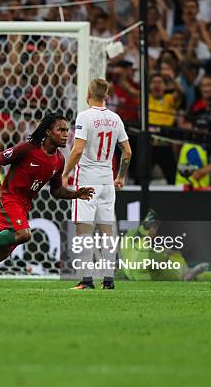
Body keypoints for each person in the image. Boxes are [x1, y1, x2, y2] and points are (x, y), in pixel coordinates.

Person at [0, 113, 95, 295]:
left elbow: (56, 190)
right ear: (48, 132)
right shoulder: (28, 149)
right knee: (23, 234)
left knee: (0, 254)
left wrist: (75, 194)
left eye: (66, 130)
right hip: (7, 198)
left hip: (22, 205)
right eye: (60, 130)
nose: (65, 134)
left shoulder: (59, 160)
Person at [61, 79, 131, 290]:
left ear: (87, 95)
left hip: (87, 182)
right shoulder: (115, 119)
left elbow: (78, 150)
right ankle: (108, 280)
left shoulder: (84, 117)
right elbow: (127, 151)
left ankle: (86, 280)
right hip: (107, 181)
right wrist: (121, 177)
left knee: (84, 230)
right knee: (107, 230)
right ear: (107, 96)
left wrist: (65, 173)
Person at [119, 210, 211, 282]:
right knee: (190, 274)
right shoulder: (144, 248)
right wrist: (166, 253)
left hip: (134, 270)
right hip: (144, 268)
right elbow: (157, 257)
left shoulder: (130, 239)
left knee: (190, 272)